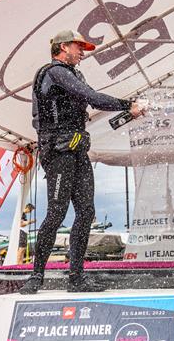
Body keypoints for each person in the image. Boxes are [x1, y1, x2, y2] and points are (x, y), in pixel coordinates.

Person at [20, 30, 145, 295]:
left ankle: (76, 277)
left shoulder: (74, 73)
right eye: (79, 47)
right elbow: (93, 97)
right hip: (58, 152)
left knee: (86, 212)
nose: (83, 52)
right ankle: (36, 276)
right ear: (63, 47)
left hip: (76, 149)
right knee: (56, 213)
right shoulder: (55, 72)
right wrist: (128, 104)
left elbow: (87, 100)